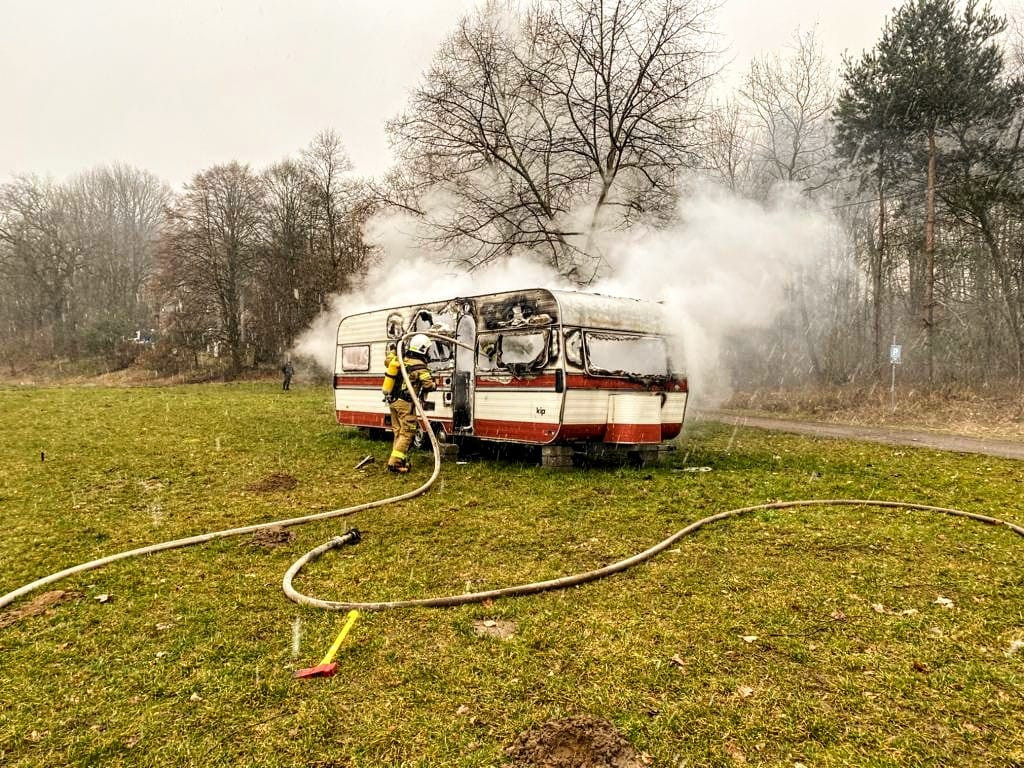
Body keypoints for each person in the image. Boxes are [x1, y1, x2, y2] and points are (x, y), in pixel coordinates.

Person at [381, 334, 435, 473]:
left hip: (393, 401)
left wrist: (394, 349)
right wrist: (434, 383)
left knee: (399, 432)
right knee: (408, 432)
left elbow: (387, 361)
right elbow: (428, 385)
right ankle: (395, 463)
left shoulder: (400, 359)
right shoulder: (419, 366)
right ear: (423, 349)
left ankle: (400, 460)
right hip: (405, 404)